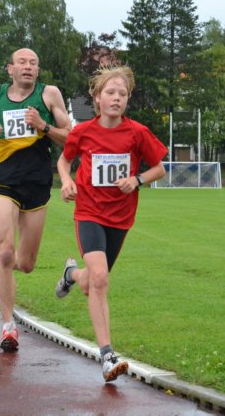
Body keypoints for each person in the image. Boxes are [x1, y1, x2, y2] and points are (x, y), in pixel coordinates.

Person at [54, 65, 167, 382]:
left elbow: (159, 167)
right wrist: (66, 181)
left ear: (127, 99)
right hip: (89, 212)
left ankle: (71, 274)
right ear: (97, 98)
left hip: (121, 217)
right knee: (101, 279)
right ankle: (107, 356)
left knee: (91, 283)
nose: (117, 98)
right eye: (110, 92)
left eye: (123, 94)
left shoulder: (137, 133)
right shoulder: (83, 132)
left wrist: (137, 179)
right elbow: (64, 160)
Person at [0, 48, 72, 351]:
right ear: (10, 68)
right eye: (22, 63)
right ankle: (8, 327)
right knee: (5, 252)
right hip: (4, 180)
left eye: (33, 63)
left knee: (25, 264)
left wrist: (43, 126)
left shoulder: (49, 94)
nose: (28, 67)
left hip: (37, 182)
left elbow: (71, 136)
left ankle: (1, 273)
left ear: (38, 70)